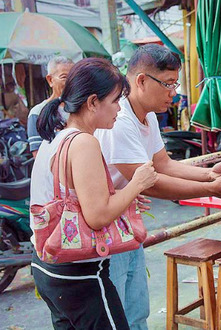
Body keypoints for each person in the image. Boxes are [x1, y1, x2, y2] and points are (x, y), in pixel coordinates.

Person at [94, 44, 221, 330]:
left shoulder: (147, 114)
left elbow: (163, 164)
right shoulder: (120, 120)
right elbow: (152, 184)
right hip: (103, 228)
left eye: (176, 83)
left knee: (136, 311)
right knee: (118, 312)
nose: (174, 92)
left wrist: (210, 175)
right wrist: (213, 188)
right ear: (141, 81)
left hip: (125, 220)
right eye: (169, 84)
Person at [30, 58, 158, 329]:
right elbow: (97, 215)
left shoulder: (54, 137)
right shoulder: (84, 142)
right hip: (80, 274)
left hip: (47, 268)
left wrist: (126, 198)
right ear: (92, 102)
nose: (119, 109)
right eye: (114, 101)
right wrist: (137, 183)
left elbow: (77, 199)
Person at [27, 56, 74, 157]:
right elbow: (38, 154)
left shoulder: (79, 108)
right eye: (64, 77)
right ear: (50, 80)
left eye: (73, 77)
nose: (70, 83)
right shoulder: (38, 112)